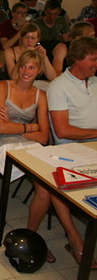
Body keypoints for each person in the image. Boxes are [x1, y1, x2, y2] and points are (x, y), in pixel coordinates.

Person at [33, 36, 97, 267]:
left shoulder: (96, 82)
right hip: (70, 148)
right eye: (93, 59)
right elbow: (62, 130)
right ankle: (74, 237)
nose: (96, 63)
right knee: (55, 185)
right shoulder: (60, 86)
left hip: (93, 143)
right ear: (78, 59)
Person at [0, 50, 50, 182]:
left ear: (38, 70)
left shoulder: (41, 96)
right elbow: (1, 129)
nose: (26, 72)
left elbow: (44, 138)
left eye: (31, 68)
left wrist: (13, 127)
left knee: (47, 181)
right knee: (39, 174)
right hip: (3, 143)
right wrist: (32, 127)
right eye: (23, 66)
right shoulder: (3, 86)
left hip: (30, 143)